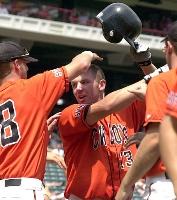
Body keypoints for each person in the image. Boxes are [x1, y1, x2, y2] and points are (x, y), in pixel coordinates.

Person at [57, 39, 162, 199]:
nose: (78, 89)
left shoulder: (128, 107)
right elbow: (106, 106)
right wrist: (146, 81)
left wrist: (145, 63)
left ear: (101, 84)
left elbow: (160, 90)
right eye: (73, 85)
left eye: (84, 82)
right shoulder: (69, 114)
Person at [0, 40, 102, 200]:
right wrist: (89, 54)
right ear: (17, 64)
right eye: (25, 63)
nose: (27, 67)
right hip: (22, 191)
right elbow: (81, 64)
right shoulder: (30, 87)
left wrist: (40, 134)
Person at [115, 21, 177, 200]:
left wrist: (126, 186)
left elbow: (155, 139)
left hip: (166, 185)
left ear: (168, 46)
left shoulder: (164, 81)